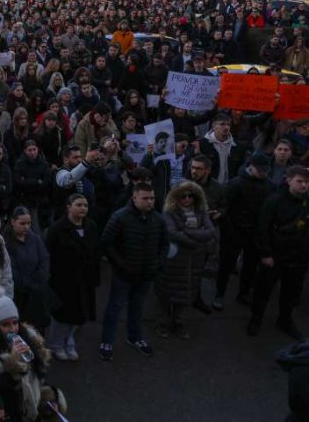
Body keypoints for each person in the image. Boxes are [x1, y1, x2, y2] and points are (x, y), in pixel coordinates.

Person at [98, 183, 169, 362]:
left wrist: (158, 263)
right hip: (124, 273)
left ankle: (135, 337)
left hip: (146, 273)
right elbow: (107, 243)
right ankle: (107, 341)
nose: (149, 202)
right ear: (134, 198)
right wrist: (120, 264)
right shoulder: (120, 217)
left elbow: (164, 244)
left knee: (137, 307)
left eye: (152, 198)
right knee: (115, 307)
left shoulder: (159, 220)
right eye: (145, 198)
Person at [0, 290, 52, 422]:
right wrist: (11, 366)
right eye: (5, 325)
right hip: (4, 413)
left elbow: (38, 377)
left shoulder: (28, 339)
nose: (12, 329)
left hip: (29, 409)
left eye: (15, 322)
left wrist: (49, 397)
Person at [248, 166, 309, 339]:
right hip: (275, 255)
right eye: (300, 181)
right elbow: (263, 228)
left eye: (307, 182)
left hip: (299, 257)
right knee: (263, 291)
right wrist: (265, 254)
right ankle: (256, 319)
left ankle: (285, 320)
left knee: (291, 292)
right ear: (289, 180)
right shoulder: (274, 201)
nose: (304, 185)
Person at [154, 182, 216, 340]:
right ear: (176, 197)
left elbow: (210, 231)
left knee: (186, 293)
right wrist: (196, 238)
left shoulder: (201, 212)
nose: (187, 199)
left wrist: (187, 231)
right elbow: (172, 233)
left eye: (190, 196)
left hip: (194, 261)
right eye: (183, 196)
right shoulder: (169, 212)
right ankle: (163, 323)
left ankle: (178, 323)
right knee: (167, 294)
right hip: (175, 260)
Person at [214, 153, 276, 310]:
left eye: (265, 170)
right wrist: (227, 226)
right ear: (250, 167)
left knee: (250, 265)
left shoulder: (269, 185)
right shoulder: (236, 184)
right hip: (234, 231)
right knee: (226, 265)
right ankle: (219, 293)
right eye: (260, 169)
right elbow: (225, 207)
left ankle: (243, 292)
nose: (263, 172)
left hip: (254, 233)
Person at [46, 194, 100, 362]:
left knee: (80, 314)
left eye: (85, 205)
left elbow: (96, 251)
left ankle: (69, 341)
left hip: (85, 279)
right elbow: (49, 254)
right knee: (62, 315)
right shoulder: (57, 229)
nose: (83, 208)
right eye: (79, 204)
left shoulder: (91, 226)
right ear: (68, 207)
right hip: (64, 280)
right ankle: (56, 344)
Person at [4, 207, 51, 333]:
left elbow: (44, 259)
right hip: (19, 295)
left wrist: (39, 278)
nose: (26, 227)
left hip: (37, 294)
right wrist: (27, 282)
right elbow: (10, 268)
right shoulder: (6, 242)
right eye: (22, 223)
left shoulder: (35, 239)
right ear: (13, 222)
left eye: (29, 223)